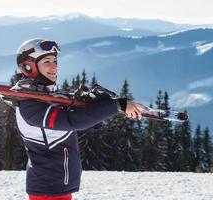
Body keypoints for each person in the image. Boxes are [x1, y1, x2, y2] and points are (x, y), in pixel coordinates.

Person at [14, 38, 147, 200]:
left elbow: (69, 113)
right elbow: (73, 121)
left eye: (55, 60)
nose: (54, 66)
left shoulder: (45, 97)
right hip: (48, 190)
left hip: (56, 187)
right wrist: (116, 106)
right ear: (29, 67)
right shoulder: (30, 106)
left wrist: (93, 103)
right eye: (47, 61)